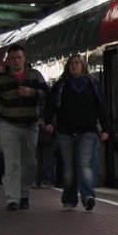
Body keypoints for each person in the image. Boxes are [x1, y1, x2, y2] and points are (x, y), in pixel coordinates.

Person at [44, 54, 109, 211]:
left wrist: (105, 128)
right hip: (65, 131)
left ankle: (88, 196)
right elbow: (51, 105)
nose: (74, 66)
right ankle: (69, 199)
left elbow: (101, 106)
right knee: (69, 167)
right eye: (71, 63)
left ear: (83, 65)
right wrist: (48, 122)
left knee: (84, 164)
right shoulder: (61, 85)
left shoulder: (92, 84)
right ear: (67, 67)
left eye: (77, 63)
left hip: (87, 130)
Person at [0, 44, 49, 210]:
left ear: (24, 59)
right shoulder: (1, 80)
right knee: (12, 163)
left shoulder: (35, 76)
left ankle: (24, 193)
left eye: (19, 58)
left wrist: (31, 93)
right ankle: (13, 199)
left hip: (30, 124)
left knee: (30, 163)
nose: (16, 61)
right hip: (8, 123)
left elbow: (48, 94)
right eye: (13, 58)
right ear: (8, 61)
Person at [34, 119, 56, 187]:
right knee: (38, 162)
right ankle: (38, 180)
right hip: (39, 139)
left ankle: (47, 180)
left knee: (47, 162)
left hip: (47, 139)